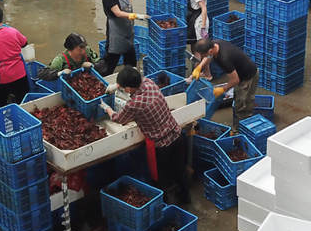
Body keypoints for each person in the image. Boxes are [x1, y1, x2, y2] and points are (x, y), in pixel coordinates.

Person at [102, 67, 190, 205]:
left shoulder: (134, 104)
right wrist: (118, 85)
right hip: (177, 135)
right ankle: (185, 199)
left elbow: (119, 119)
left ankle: (165, 206)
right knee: (179, 171)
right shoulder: (149, 83)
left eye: (124, 88)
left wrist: (107, 108)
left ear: (129, 89)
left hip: (162, 146)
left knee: (162, 179)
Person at [191, 38, 259, 131]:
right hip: (240, 72)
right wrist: (200, 66)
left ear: (210, 51)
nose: (203, 57)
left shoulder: (224, 59)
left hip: (248, 77)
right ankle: (238, 124)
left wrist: (223, 88)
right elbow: (208, 57)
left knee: (242, 104)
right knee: (237, 99)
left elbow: (235, 80)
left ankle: (240, 131)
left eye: (203, 55)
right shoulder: (215, 44)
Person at [102, 0, 143, 74]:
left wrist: (129, 7)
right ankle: (105, 81)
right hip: (116, 32)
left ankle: (130, 80)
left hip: (127, 30)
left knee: (131, 61)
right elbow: (117, 13)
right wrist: (133, 15)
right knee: (111, 62)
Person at [38, 33, 103, 80]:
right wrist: (60, 73)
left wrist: (93, 65)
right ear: (70, 49)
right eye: (80, 48)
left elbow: (102, 64)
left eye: (84, 47)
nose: (83, 51)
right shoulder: (60, 60)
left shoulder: (88, 51)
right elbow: (42, 73)